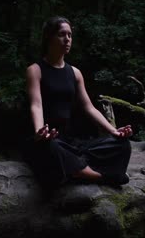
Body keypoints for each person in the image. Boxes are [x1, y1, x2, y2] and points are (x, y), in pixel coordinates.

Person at [23, 16, 133, 189]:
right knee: (51, 148)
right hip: (46, 140)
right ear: (49, 38)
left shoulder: (75, 73)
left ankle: (76, 171)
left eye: (70, 35)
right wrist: (39, 131)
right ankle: (101, 176)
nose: (67, 39)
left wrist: (114, 131)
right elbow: (36, 104)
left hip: (70, 141)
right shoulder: (35, 70)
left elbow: (89, 107)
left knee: (122, 144)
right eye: (61, 34)